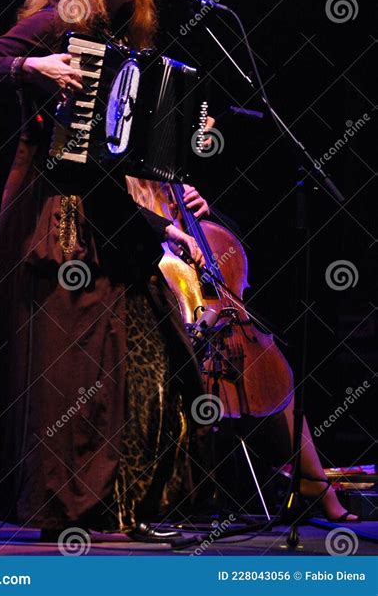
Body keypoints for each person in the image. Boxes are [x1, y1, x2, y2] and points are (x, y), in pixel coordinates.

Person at [0, 0, 212, 540]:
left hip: (106, 215)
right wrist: (31, 68)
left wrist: (162, 217)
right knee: (71, 365)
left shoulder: (126, 45)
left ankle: (123, 503)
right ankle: (68, 510)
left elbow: (118, 157)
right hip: (52, 215)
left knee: (144, 353)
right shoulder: (62, 19)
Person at [126, 176, 359, 523]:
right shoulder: (131, 202)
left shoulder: (177, 191)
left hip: (220, 324)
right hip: (171, 332)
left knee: (275, 376)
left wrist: (209, 210)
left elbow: (232, 245)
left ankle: (314, 481)